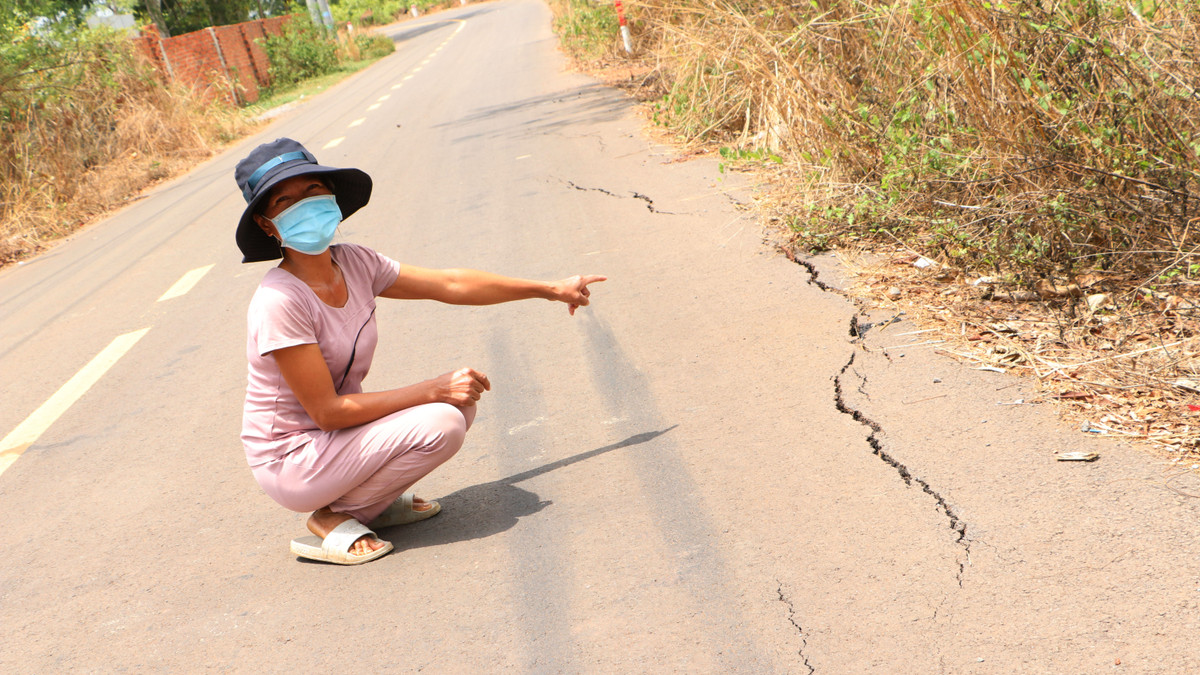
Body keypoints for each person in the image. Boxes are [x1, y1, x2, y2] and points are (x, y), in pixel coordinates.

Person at [235, 138, 605, 565]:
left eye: (313, 190)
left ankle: (373, 500)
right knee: (443, 417)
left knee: (459, 405)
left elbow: (449, 284)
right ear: (267, 225)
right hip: (293, 458)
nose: (305, 203)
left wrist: (548, 289)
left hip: (333, 441)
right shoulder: (279, 301)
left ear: (332, 196)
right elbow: (327, 413)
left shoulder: (354, 263)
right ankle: (335, 516)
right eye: (285, 200)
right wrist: (432, 389)